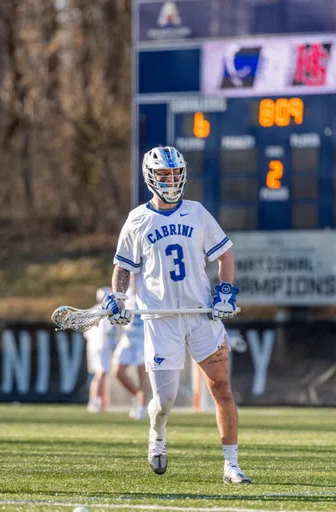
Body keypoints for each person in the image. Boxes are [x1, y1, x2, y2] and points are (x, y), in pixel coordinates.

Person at [103, 145, 251, 484]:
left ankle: (231, 464)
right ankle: (157, 434)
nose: (171, 180)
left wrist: (225, 291)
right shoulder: (137, 219)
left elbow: (225, 256)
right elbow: (123, 267)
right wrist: (118, 297)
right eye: (164, 175)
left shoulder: (197, 213)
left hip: (200, 315)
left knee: (221, 387)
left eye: (175, 174)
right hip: (162, 319)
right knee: (165, 400)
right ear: (151, 177)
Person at [112, 275, 149, 420]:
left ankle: (142, 406)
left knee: (143, 374)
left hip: (143, 338)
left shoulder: (149, 296)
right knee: (117, 372)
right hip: (127, 338)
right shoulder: (125, 297)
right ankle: (137, 395)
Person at [83, 287, 119, 413]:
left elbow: (86, 333)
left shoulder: (92, 310)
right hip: (102, 346)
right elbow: (109, 331)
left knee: (99, 374)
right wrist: (114, 345)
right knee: (101, 373)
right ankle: (96, 402)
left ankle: (95, 400)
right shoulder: (107, 312)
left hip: (93, 346)